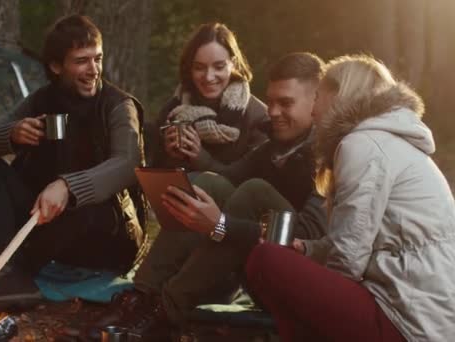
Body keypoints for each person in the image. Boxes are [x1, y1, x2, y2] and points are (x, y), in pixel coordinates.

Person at [88, 52, 327, 339]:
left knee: (254, 192)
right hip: (260, 268)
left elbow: (308, 234)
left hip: (303, 288)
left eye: (285, 103)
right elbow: (224, 178)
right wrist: (185, 167)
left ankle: (168, 310)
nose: (273, 111)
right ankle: (142, 295)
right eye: (271, 101)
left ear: (316, 101)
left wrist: (221, 224)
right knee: (208, 184)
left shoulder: (329, 154)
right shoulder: (273, 147)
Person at [246, 55, 455, 341]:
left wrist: (312, 290)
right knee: (286, 263)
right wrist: (307, 251)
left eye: (318, 96)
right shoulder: (388, 142)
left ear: (338, 96)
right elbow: (360, 242)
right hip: (428, 318)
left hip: (407, 321)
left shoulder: (363, 144)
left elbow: (348, 258)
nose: (314, 110)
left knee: (266, 259)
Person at [0, 14, 146, 311]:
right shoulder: (40, 101)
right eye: (81, 61)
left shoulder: (118, 105)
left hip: (106, 234)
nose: (94, 70)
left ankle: (17, 270)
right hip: (44, 223)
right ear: (56, 66)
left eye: (97, 59)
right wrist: (12, 134)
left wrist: (68, 187)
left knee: (91, 207)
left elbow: (128, 163)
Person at [152, 22, 268, 170]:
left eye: (219, 67)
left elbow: (249, 182)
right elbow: (154, 173)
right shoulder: (173, 110)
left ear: (233, 64)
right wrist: (170, 155)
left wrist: (200, 157)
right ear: (190, 68)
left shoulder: (257, 117)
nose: (208, 77)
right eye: (199, 68)